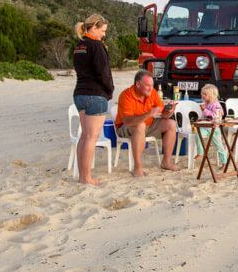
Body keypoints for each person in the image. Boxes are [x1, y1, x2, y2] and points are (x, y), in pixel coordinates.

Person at [72, 14, 114, 186]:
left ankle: (83, 176)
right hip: (95, 95)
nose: (104, 35)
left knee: (84, 137)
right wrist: (109, 90)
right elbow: (103, 72)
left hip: (79, 93)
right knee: (91, 137)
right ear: (94, 27)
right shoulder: (96, 46)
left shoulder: (79, 46)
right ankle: (87, 177)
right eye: (102, 31)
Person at [115, 69, 179, 177]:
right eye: (147, 85)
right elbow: (127, 121)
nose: (151, 88)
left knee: (171, 123)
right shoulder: (126, 95)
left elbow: (163, 115)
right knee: (140, 125)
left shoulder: (152, 93)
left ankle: (166, 162)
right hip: (125, 127)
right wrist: (148, 114)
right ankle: (137, 167)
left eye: (152, 85)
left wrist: (169, 111)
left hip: (148, 125)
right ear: (138, 84)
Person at [194, 84, 228, 167]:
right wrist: (201, 119)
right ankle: (200, 152)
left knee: (219, 145)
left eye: (205, 94)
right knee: (198, 134)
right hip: (205, 127)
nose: (202, 96)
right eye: (202, 94)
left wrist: (204, 110)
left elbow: (215, 116)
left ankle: (224, 161)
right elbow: (205, 116)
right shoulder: (206, 103)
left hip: (214, 128)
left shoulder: (216, 104)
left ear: (212, 95)